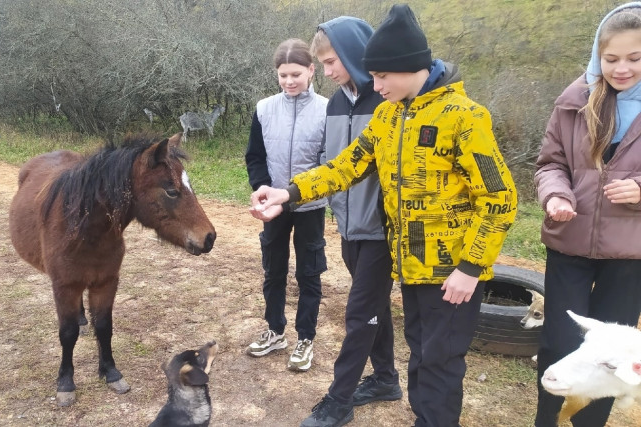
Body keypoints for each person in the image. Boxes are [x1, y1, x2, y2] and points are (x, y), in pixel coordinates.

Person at [249, 5, 518, 427]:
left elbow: (500, 198)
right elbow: (345, 166)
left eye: (381, 77)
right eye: (371, 77)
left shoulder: (465, 117)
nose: (374, 85)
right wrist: (290, 192)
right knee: (420, 352)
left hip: (452, 273)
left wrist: (470, 267)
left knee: (440, 361)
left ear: (410, 68)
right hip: (408, 266)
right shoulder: (390, 116)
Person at [533, 3, 641, 426]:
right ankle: (548, 422)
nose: (622, 69)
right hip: (569, 242)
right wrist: (556, 195)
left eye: (635, 58)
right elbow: (550, 164)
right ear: (598, 55)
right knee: (560, 342)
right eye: (611, 59)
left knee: (608, 356)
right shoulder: (573, 100)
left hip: (630, 255)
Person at [299, 17, 401, 427]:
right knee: (374, 308)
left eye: (330, 62)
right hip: (347, 226)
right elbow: (335, 165)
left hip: (380, 230)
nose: (326, 72)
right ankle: (387, 379)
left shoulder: (388, 100)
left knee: (360, 314)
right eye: (321, 64)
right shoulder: (338, 103)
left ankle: (339, 400)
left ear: (356, 53)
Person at [244, 38, 329, 372]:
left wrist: (299, 193)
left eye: (296, 74)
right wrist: (261, 188)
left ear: (311, 71)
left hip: (311, 206)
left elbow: (329, 161)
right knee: (273, 269)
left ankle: (305, 337)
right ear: (276, 74)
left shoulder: (328, 109)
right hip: (273, 207)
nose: (289, 81)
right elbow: (255, 155)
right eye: (283, 75)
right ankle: (275, 330)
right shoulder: (264, 108)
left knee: (309, 273)